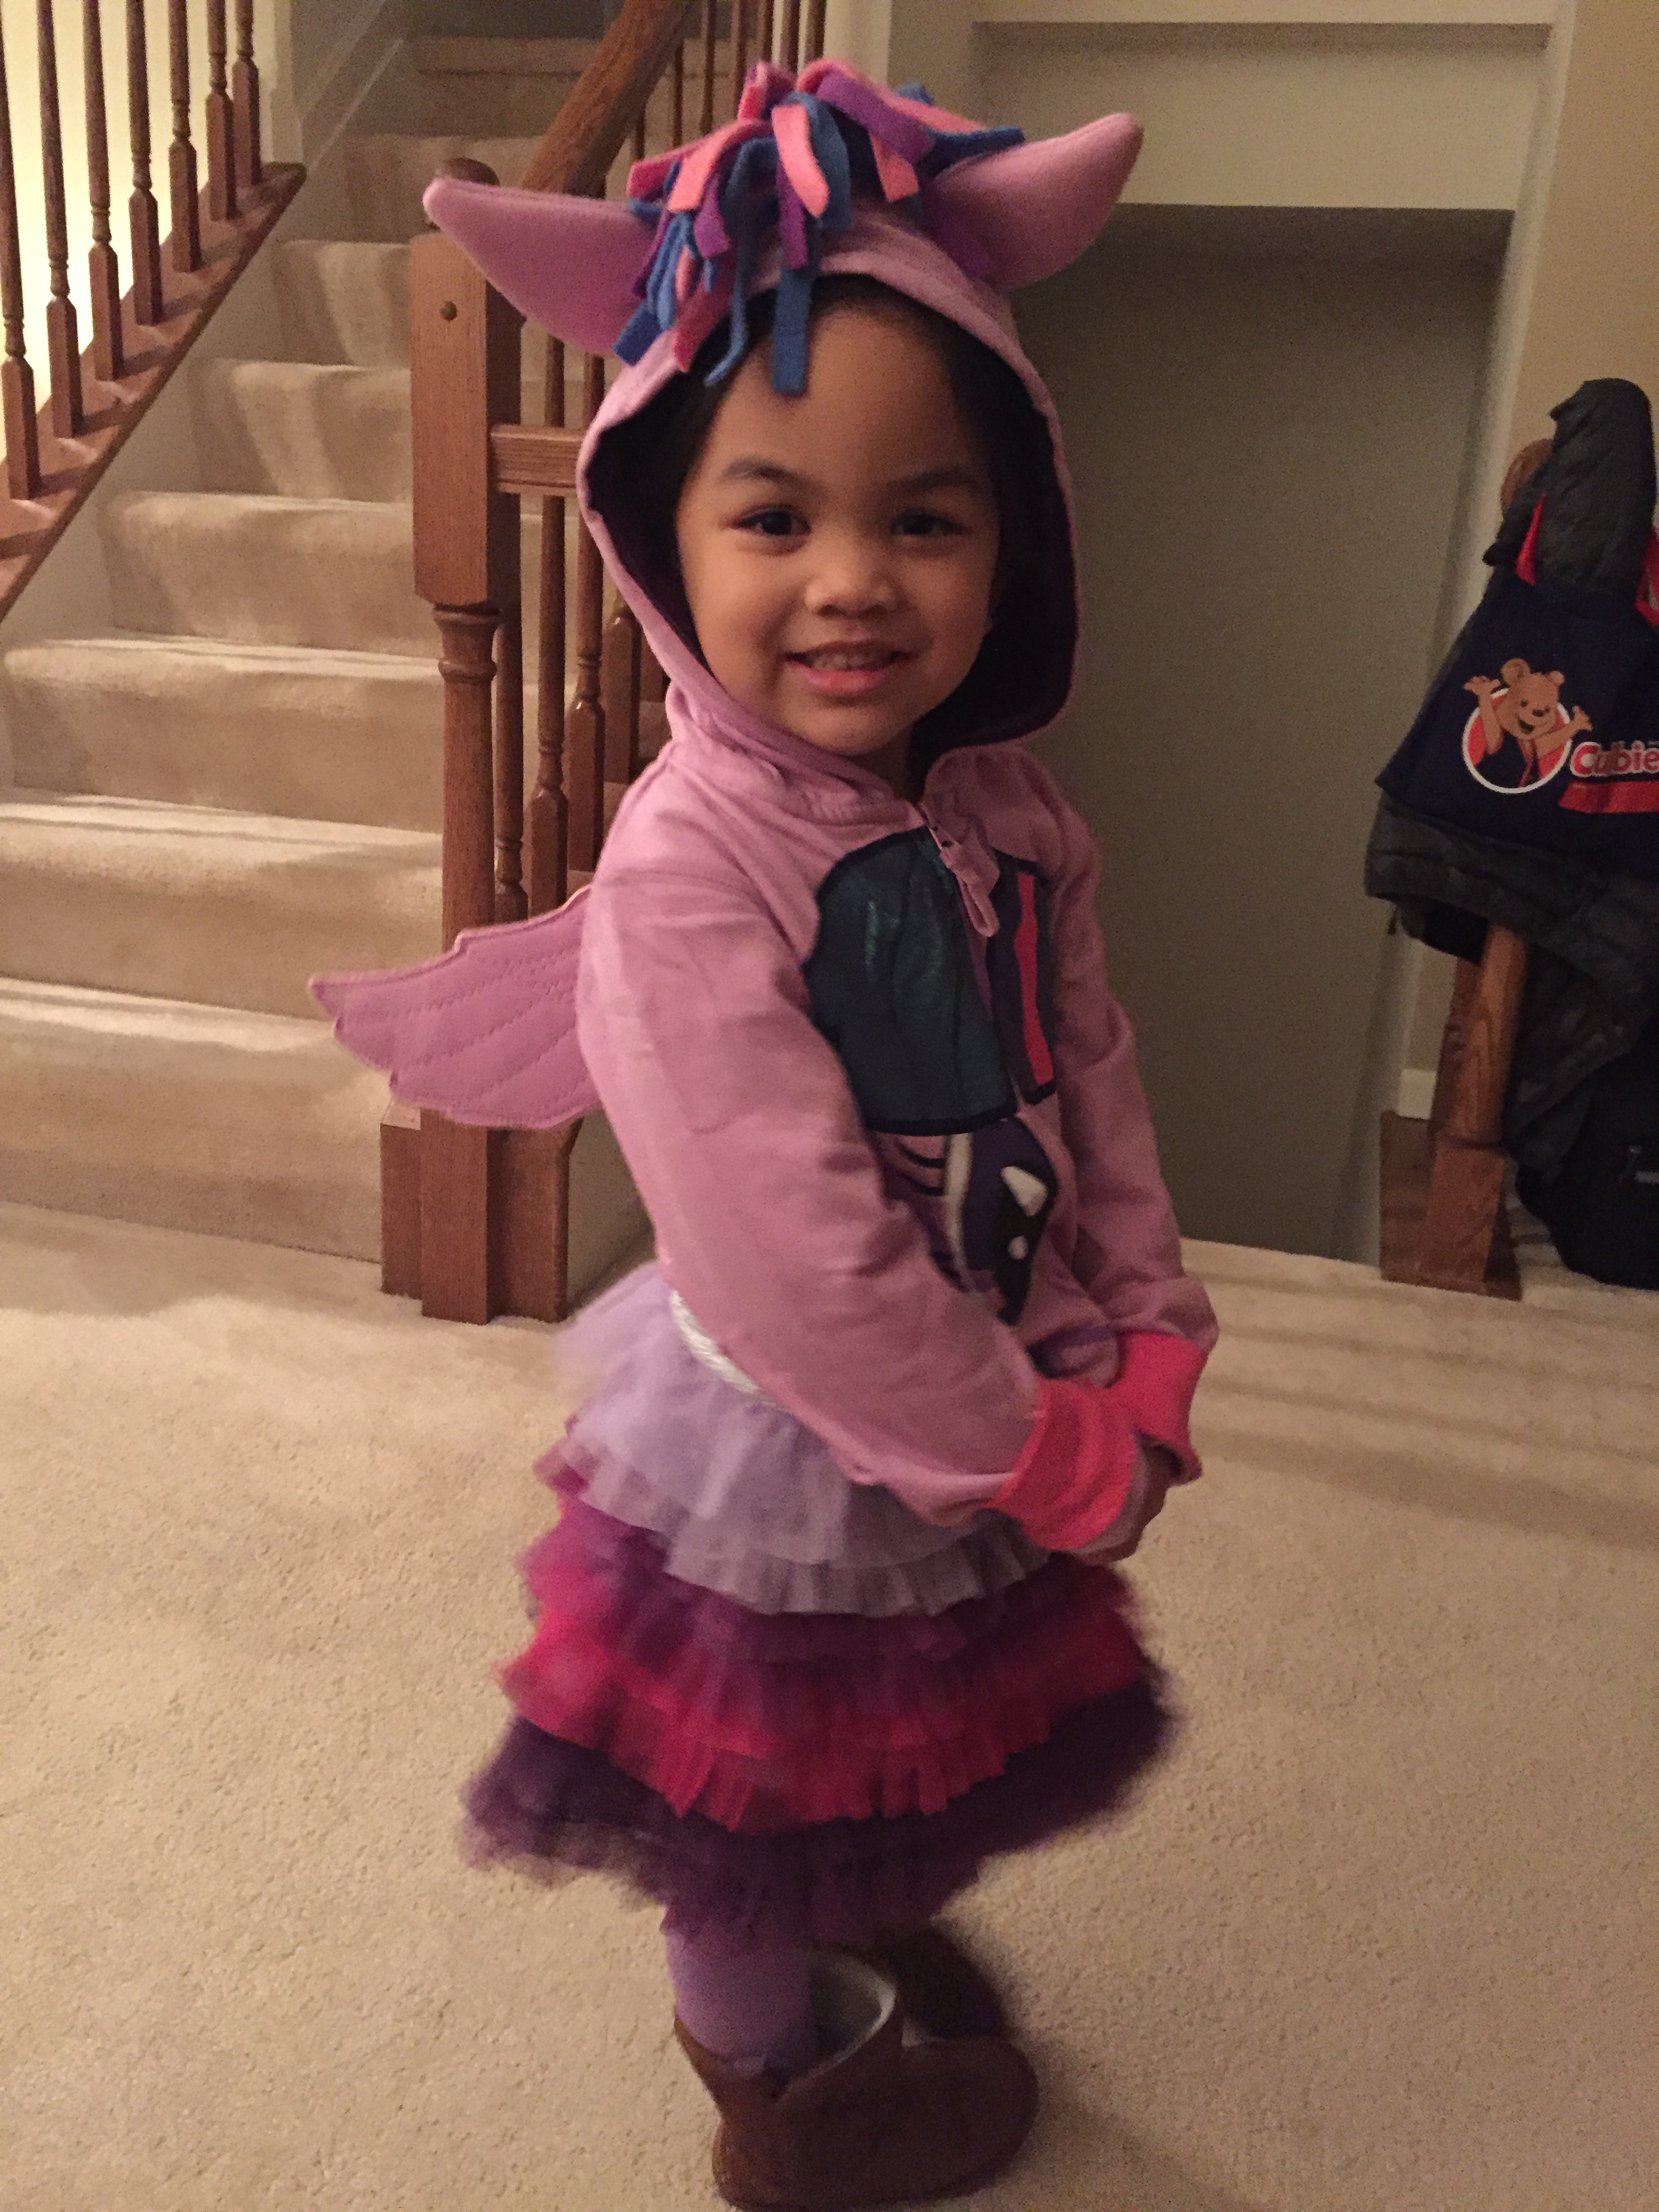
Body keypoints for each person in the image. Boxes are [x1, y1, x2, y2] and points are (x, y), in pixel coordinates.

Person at [319, 61, 1217, 2212]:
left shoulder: (1016, 817)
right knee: (748, 1805)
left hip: (994, 1371)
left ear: (1015, 535)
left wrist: (1147, 1323)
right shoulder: (689, 867)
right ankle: (774, 2091)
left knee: (909, 1735)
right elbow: (790, 1245)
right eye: (776, 518)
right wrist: (1030, 1442)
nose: (854, 582)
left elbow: (1090, 1071)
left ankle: (849, 1921)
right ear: (662, 538)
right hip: (807, 1427)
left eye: (925, 518)